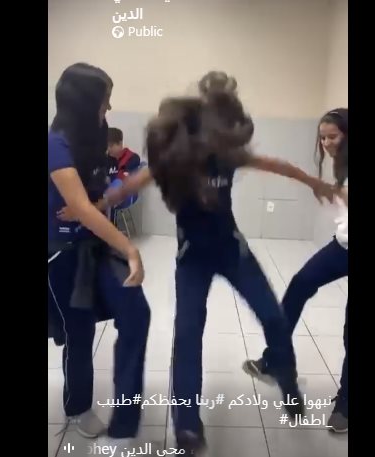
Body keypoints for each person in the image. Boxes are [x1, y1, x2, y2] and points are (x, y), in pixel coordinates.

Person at [107, 71, 338, 453]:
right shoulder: (171, 163)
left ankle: (288, 383)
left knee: (273, 317)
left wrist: (315, 183)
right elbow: (129, 186)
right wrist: (95, 204)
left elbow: (278, 165)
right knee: (187, 335)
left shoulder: (227, 155)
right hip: (192, 260)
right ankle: (187, 427)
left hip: (233, 252)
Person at [47, 63, 151, 445]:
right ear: (84, 101)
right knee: (79, 331)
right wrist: (130, 247)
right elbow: (81, 207)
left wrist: (102, 199)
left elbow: (104, 195)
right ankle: (78, 407)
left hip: (98, 248)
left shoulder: (97, 140)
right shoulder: (54, 144)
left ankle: (127, 409)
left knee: (136, 312)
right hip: (63, 254)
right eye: (105, 99)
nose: (109, 107)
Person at [243, 108, 349, 433]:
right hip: (343, 246)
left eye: (333, 137)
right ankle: (275, 360)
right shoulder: (341, 164)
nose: (326, 143)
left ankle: (346, 404)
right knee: (300, 283)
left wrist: (332, 191)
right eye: (323, 137)